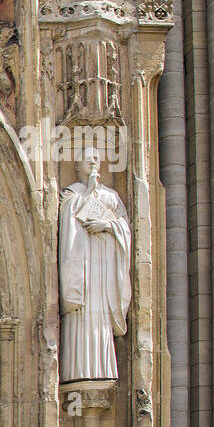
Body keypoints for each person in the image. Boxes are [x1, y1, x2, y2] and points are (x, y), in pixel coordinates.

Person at [58, 152, 130, 381]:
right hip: (82, 269)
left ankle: (102, 372)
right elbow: (67, 220)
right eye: (87, 159)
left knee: (100, 313)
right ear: (77, 165)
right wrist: (88, 192)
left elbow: (124, 227)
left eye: (97, 159)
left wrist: (107, 226)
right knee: (83, 313)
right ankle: (79, 373)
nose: (93, 162)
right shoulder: (72, 193)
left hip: (103, 269)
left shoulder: (111, 196)